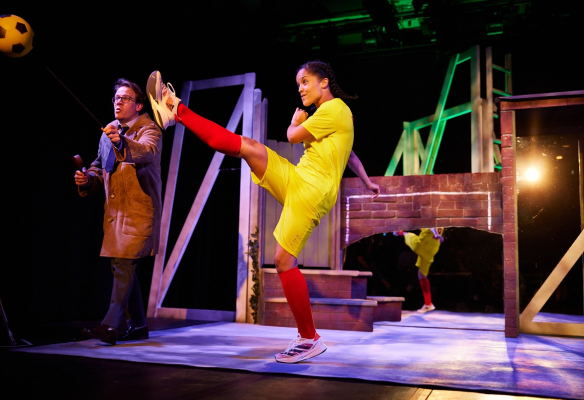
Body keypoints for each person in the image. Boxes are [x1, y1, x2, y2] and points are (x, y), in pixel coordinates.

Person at [146, 61, 380, 363]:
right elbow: (348, 153)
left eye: (306, 81)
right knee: (249, 146)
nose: (301, 88)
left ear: (325, 83)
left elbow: (293, 136)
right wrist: (366, 180)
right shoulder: (330, 115)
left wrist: (294, 122)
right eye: (299, 83)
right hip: (298, 178)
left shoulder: (334, 110)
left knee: (284, 260)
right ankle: (176, 111)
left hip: (310, 190)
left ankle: (310, 338)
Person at [75, 78, 162, 345]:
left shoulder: (150, 129)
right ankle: (138, 325)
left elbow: (147, 152)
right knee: (123, 267)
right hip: (115, 211)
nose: (118, 102)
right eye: (116, 98)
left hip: (138, 210)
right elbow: (99, 166)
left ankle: (110, 325)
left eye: (125, 98)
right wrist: (88, 179)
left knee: (124, 265)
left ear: (138, 106)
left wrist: (122, 142)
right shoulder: (108, 130)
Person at [394, 228, 444, 313]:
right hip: (432, 248)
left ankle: (399, 232)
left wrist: (436, 235)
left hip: (421, 245)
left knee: (409, 235)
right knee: (422, 275)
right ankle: (428, 304)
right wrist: (438, 236)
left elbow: (432, 226)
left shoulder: (432, 217)